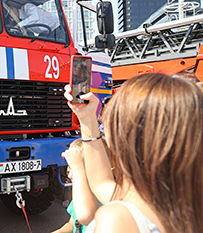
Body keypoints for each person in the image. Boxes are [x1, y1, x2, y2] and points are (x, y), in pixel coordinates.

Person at [64, 73, 203, 233]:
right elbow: (101, 182)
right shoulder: (188, 200)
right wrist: (87, 119)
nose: (104, 126)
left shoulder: (117, 219)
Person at [53, 139, 100, 233]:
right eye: (69, 169)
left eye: (76, 169)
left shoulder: (107, 210)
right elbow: (72, 225)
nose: (69, 175)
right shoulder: (78, 200)